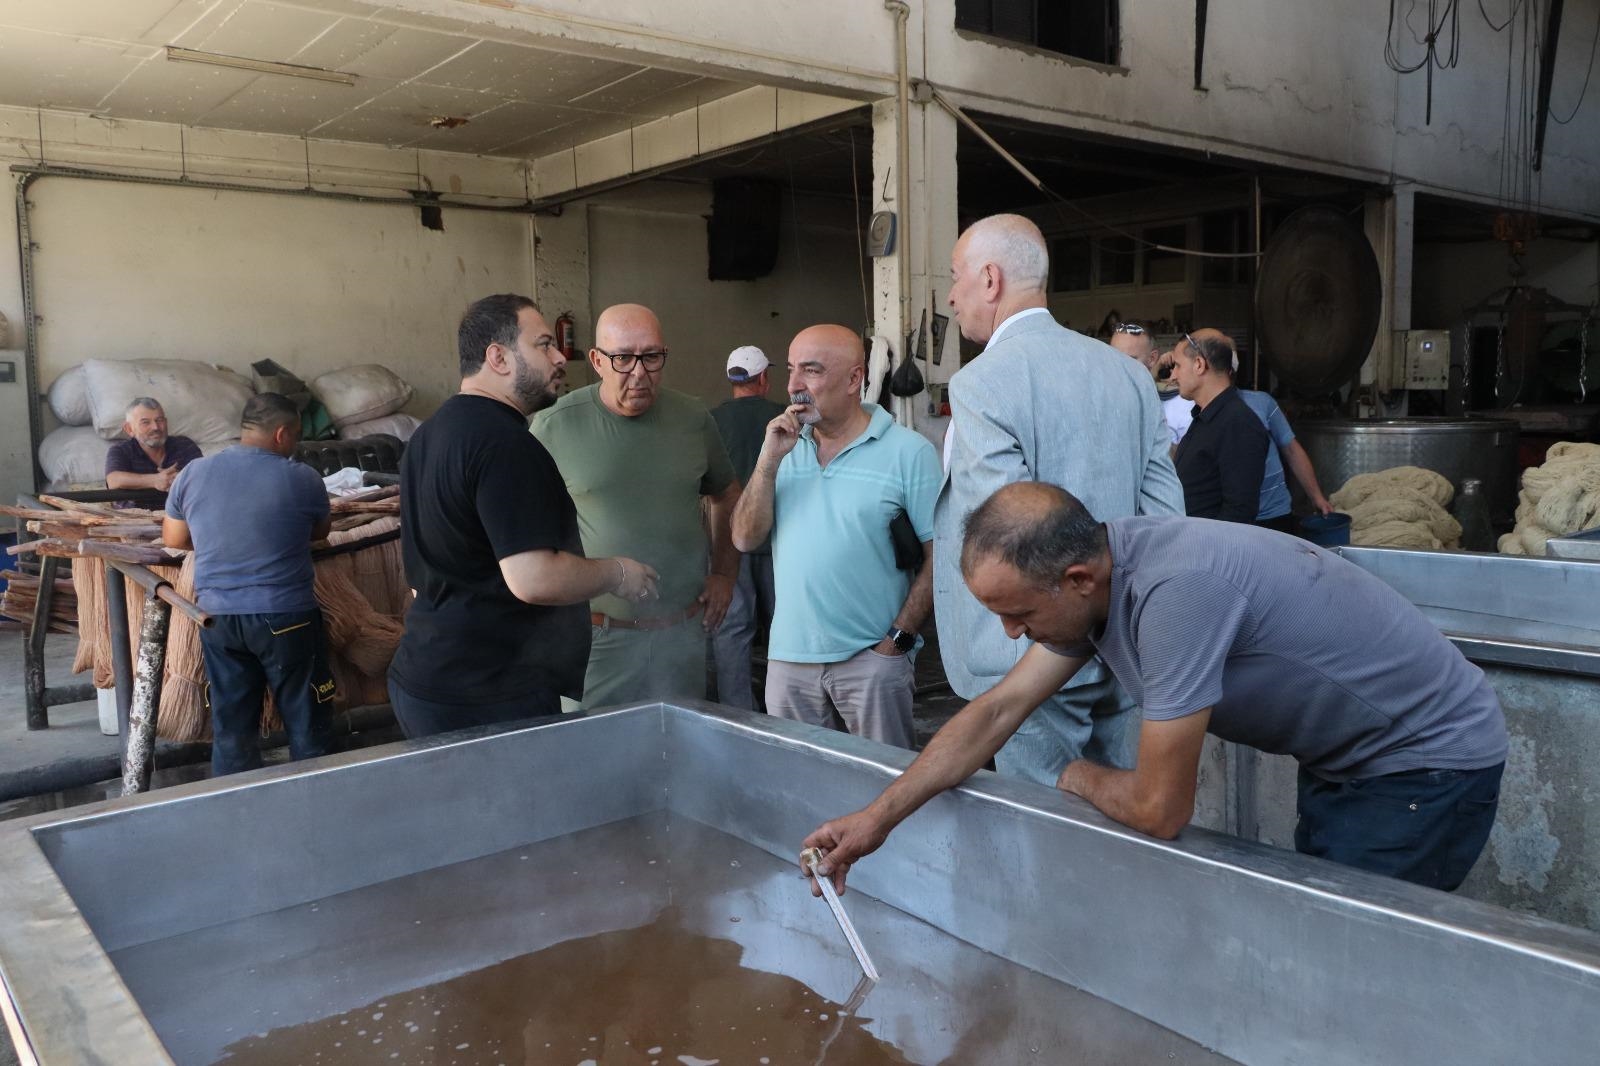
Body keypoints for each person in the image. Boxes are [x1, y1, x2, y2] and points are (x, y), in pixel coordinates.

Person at [802, 482, 1508, 894]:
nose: (1013, 634)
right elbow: (996, 712)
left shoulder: (1175, 596)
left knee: (1357, 976)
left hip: (1424, 766)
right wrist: (877, 820)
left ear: (1077, 580)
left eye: (1018, 614)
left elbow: (1159, 808)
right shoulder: (1094, 583)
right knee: (1322, 944)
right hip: (1346, 761)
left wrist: (1075, 775)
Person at [938, 213, 1184, 786]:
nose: (950, 296)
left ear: (990, 280)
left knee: (1041, 826)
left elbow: (1007, 538)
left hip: (1032, 662)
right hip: (1124, 646)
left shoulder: (982, 383)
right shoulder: (1129, 376)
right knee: (1120, 814)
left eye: (954, 277)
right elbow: (1166, 522)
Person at [389, 294, 658, 739]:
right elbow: (533, 579)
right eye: (544, 345)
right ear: (498, 357)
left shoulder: (429, 434)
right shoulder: (504, 443)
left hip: (424, 677)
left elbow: (423, 574)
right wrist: (618, 573)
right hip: (489, 693)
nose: (560, 358)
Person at [732, 325, 939, 748]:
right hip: (789, 662)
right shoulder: (783, 448)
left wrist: (898, 641)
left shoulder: (909, 452)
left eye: (811, 371)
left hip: (872, 660)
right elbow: (744, 539)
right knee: (799, 780)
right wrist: (768, 462)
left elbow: (944, 554)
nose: (794, 385)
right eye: (791, 370)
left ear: (853, 379)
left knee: (884, 780)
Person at [532, 303, 741, 707]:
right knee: (593, 742)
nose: (640, 372)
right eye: (623, 358)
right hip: (597, 639)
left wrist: (724, 574)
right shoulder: (555, 425)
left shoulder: (693, 418)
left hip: (681, 634)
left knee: (680, 739)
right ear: (597, 361)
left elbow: (726, 495)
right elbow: (524, 525)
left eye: (651, 357)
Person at [161, 393, 335, 776]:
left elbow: (173, 539)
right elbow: (319, 532)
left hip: (218, 619)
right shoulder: (303, 478)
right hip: (287, 617)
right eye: (296, 435)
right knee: (308, 723)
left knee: (232, 728)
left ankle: (234, 801)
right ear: (282, 434)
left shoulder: (193, 473)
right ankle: (320, 799)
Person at [709, 345, 785, 711]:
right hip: (779, 542)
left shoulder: (711, 421)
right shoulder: (784, 418)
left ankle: (737, 714)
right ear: (764, 378)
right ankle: (784, 710)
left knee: (731, 630)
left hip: (728, 545)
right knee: (786, 630)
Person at [1168, 329, 1269, 523]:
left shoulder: (1238, 424)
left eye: (1178, 366)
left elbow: (1239, 512)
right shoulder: (1206, 417)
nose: (1173, 376)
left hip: (1207, 542)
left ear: (1199, 364)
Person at [1237, 389, 1335, 530]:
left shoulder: (1261, 401)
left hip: (1275, 512)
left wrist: (1316, 497)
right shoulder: (1207, 410)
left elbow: (1291, 450)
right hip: (1233, 517)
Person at [105, 397, 203, 504]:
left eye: (159, 420)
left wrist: (181, 479)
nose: (155, 427)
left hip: (181, 512)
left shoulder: (184, 445)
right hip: (136, 514)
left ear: (166, 422)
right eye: (145, 422)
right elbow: (113, 480)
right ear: (129, 429)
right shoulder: (121, 450)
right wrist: (155, 480)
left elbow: (204, 476)